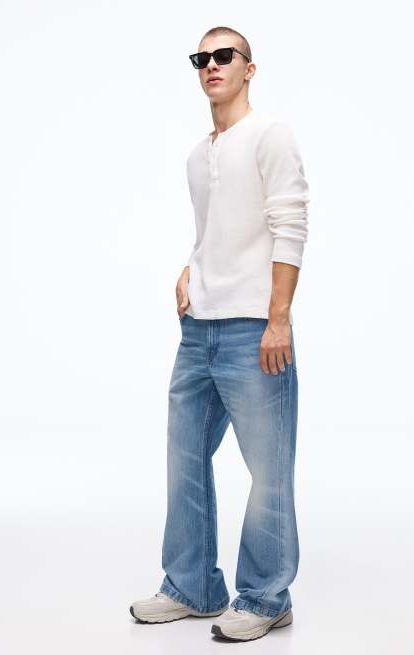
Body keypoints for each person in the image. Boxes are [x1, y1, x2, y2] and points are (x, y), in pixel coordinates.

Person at [129, 25, 310, 642]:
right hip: (197, 331)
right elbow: (217, 232)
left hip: (254, 330)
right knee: (184, 460)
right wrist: (191, 267)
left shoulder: (270, 134)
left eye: (224, 55)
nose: (211, 65)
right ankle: (192, 586)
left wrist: (278, 318)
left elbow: (289, 224)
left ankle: (265, 597)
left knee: (268, 472)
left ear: (248, 69)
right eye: (201, 58)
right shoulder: (196, 155)